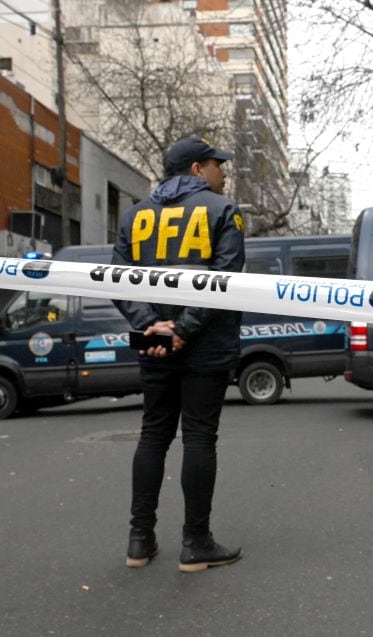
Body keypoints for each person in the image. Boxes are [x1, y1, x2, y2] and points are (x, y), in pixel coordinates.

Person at [111, 136, 245, 572]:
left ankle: (139, 541)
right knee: (200, 438)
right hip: (205, 345)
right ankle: (196, 543)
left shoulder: (135, 217)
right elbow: (224, 281)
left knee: (153, 435)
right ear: (195, 170)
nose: (222, 173)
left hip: (153, 342)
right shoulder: (223, 211)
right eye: (215, 165)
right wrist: (185, 330)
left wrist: (149, 323)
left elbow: (117, 279)